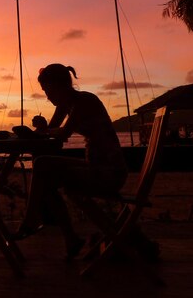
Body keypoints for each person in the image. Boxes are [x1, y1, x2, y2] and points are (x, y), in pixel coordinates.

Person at [12, 63, 128, 261]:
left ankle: (32, 219)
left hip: (109, 172)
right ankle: (70, 239)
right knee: (44, 172)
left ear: (59, 86)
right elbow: (53, 134)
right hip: (95, 166)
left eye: (47, 90)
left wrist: (44, 132)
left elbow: (63, 133)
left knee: (42, 166)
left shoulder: (84, 100)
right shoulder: (66, 105)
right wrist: (41, 129)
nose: (47, 96)